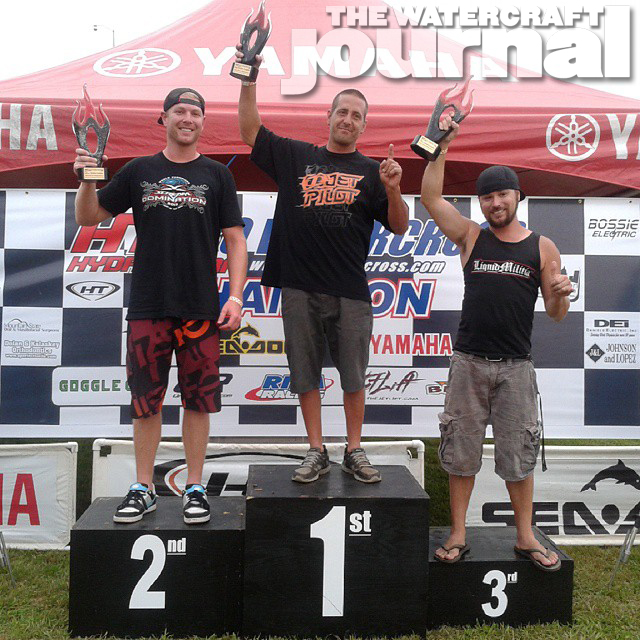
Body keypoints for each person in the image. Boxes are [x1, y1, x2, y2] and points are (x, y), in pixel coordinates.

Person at [74, 87, 247, 524]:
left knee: (199, 401)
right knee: (145, 401)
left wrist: (236, 295)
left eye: (195, 113)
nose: (187, 118)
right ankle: (143, 487)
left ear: (203, 122)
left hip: (200, 307)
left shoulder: (217, 175)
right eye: (179, 111)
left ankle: (194, 486)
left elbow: (235, 239)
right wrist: (87, 179)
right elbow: (88, 217)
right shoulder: (139, 170)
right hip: (149, 304)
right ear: (164, 118)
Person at [236, 50, 409, 484]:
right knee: (304, 374)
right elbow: (250, 130)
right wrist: (248, 79)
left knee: (353, 377)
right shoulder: (295, 156)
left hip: (350, 290)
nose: (348, 119)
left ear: (364, 126)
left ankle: (354, 449)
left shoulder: (372, 171)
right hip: (299, 286)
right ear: (328, 116)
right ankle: (316, 450)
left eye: (356, 115)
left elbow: (400, 225)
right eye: (342, 112)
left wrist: (393, 189)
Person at [420, 115, 573, 570]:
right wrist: (441, 147)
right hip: (468, 364)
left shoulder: (542, 247)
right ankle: (458, 533)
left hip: (516, 369)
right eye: (486, 197)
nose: (494, 203)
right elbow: (430, 198)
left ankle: (525, 536)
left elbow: (556, 313)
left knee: (518, 456)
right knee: (460, 453)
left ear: (517, 196)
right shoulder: (471, 236)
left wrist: (561, 294)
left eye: (502, 194)